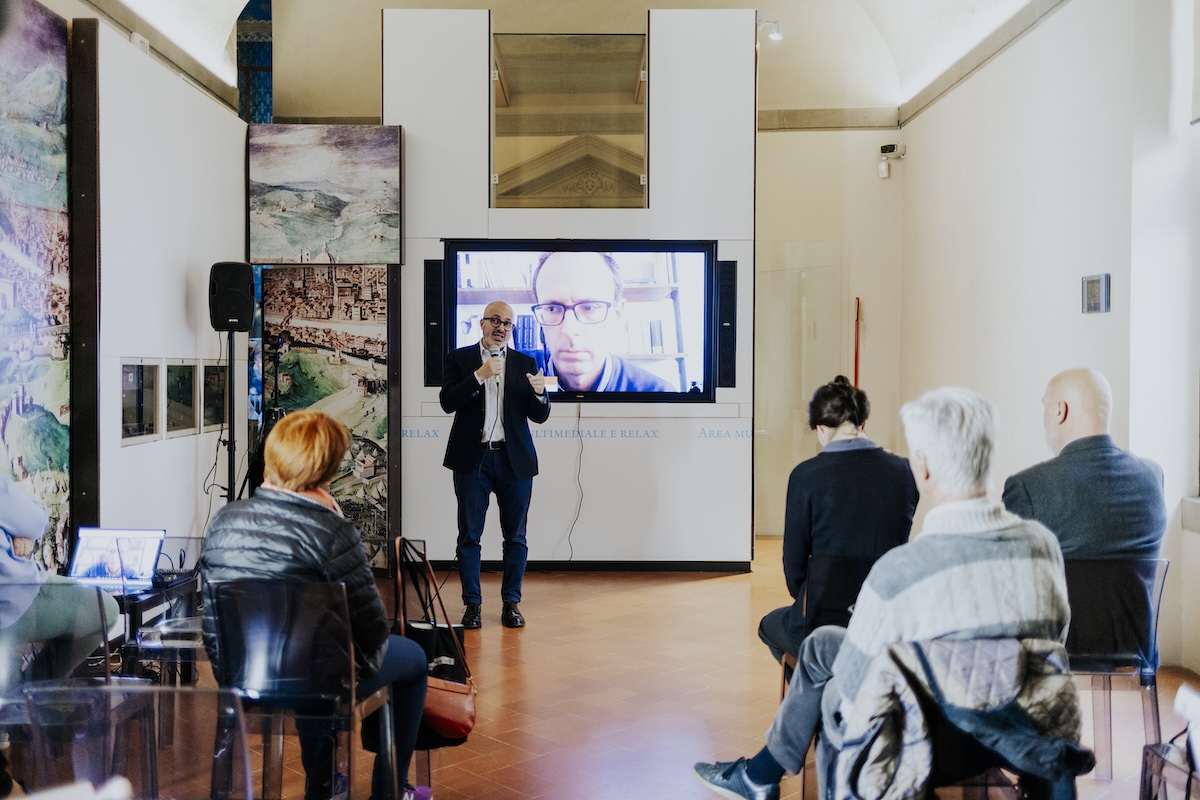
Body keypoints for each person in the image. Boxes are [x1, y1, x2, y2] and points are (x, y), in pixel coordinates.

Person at [693, 387, 1070, 800]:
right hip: (1017, 728)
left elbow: (856, 684)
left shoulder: (902, 573)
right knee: (821, 645)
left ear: (924, 468)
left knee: (826, 668)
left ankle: (763, 773)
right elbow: (1054, 640)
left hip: (932, 735)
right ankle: (761, 773)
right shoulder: (1041, 546)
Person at [198, 411, 430, 800]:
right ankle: (388, 792)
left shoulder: (224, 521)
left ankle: (323, 783)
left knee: (306, 651)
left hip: (244, 675)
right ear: (324, 469)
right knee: (412, 660)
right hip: (320, 680)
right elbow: (373, 630)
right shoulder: (333, 531)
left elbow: (213, 621)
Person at [757, 376, 917, 663]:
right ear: (862, 425)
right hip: (888, 618)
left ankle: (815, 689)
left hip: (822, 618)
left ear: (820, 428)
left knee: (768, 626)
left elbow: (794, 566)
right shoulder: (905, 472)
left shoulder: (806, 475)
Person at [440, 300, 550, 630]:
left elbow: (539, 415)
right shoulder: (459, 359)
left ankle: (511, 604)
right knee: (469, 536)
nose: (502, 328)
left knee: (515, 537)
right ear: (482, 323)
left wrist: (542, 394)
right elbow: (447, 402)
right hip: (473, 460)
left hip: (514, 461)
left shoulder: (526, 362)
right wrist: (478, 375)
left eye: (508, 323)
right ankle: (472, 605)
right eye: (496, 321)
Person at [1002, 367, 1166, 559]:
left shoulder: (1027, 488)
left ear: (1060, 411)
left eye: (1045, 406)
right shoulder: (1153, 476)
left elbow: (1006, 576)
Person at [0, 472, 118, 683]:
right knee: (106, 610)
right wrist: (19, 530)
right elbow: (36, 520)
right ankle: (35, 691)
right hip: (12, 602)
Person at [531, 251, 675, 392]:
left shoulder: (659, 397)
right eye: (552, 309)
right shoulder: (512, 382)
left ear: (617, 314)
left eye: (589, 307)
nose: (569, 330)